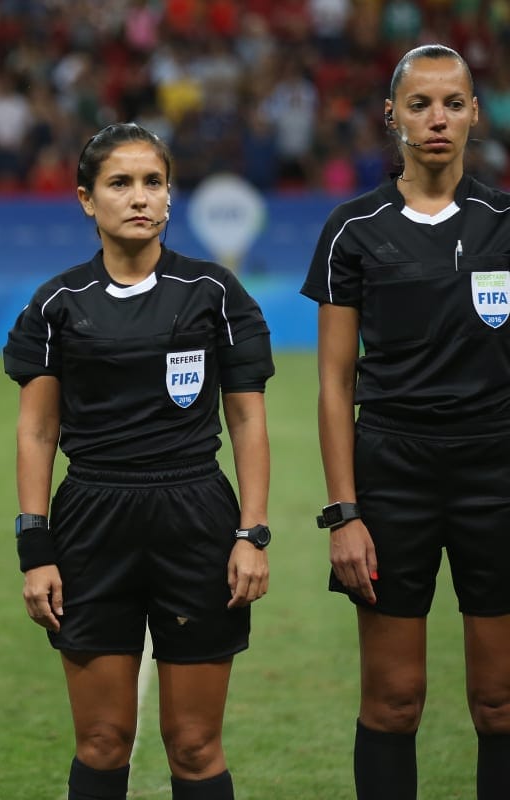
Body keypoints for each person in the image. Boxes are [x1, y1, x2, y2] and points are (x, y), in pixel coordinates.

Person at [3, 122, 274, 800]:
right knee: (102, 741)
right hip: (93, 520)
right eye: (120, 183)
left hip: (196, 519)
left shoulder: (214, 293)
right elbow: (37, 431)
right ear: (86, 200)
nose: (140, 197)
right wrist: (35, 548)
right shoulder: (58, 303)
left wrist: (252, 533)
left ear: (170, 196)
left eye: (153, 182)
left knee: (194, 744)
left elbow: (246, 419)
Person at [301, 44, 510, 800]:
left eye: (453, 102)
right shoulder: (353, 229)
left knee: (499, 703)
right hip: (393, 481)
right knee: (394, 701)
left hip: (497, 475)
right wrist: (344, 512)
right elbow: (334, 383)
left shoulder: (505, 221)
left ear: (474, 113)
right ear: (391, 116)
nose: (437, 118)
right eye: (419, 104)